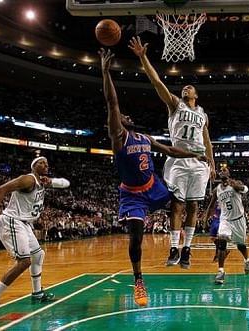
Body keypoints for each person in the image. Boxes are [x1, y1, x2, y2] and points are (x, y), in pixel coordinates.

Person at [99, 48, 207, 306]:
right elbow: (112, 103)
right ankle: (139, 280)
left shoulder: (144, 138)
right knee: (136, 238)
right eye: (119, 117)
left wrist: (197, 157)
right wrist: (105, 73)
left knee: (183, 202)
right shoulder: (119, 136)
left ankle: (181, 248)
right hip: (133, 195)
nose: (123, 116)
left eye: (125, 117)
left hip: (154, 187)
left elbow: (170, 150)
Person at [129, 36, 216, 269]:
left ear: (196, 94)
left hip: (199, 162)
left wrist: (213, 165)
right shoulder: (175, 104)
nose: (186, 87)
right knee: (177, 205)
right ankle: (173, 248)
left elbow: (207, 141)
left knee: (194, 206)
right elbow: (157, 82)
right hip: (178, 159)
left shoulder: (202, 114)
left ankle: (186, 249)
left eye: (190, 87)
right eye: (184, 87)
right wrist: (143, 57)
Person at [0, 157, 70, 321]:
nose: (45, 165)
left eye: (47, 163)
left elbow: (66, 183)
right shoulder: (28, 179)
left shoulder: (43, 182)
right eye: (41, 162)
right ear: (33, 166)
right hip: (11, 221)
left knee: (38, 255)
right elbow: (0, 189)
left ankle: (37, 293)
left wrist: (51, 181)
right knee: (25, 261)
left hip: (24, 224)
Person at [203, 167, 249, 284]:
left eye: (225, 169)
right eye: (221, 170)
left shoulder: (235, 184)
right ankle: (221, 271)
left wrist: (237, 186)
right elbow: (211, 205)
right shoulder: (217, 190)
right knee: (222, 239)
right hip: (225, 220)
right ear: (219, 175)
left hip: (238, 219)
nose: (222, 171)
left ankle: (247, 260)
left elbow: (246, 189)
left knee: (240, 245)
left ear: (228, 173)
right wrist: (205, 219)